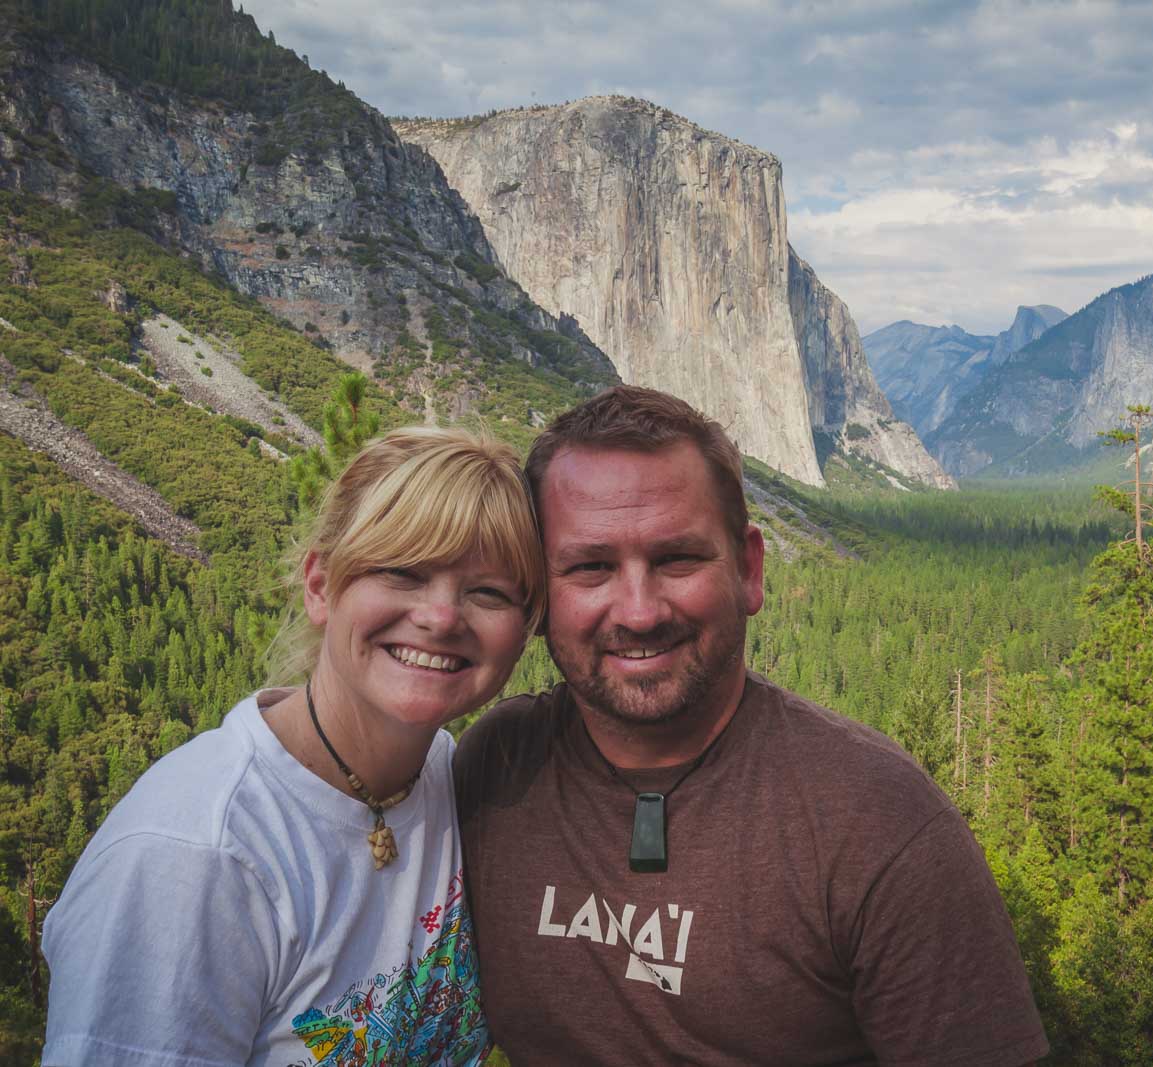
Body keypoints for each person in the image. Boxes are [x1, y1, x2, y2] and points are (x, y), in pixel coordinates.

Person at [455, 385, 1049, 1065]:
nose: (640, 610)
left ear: (750, 569)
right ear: (539, 595)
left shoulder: (881, 824)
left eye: (676, 558)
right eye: (591, 567)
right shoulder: (493, 770)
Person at [43, 426, 543, 1066]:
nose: (442, 617)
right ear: (320, 587)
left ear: (523, 630)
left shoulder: (451, 775)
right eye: (401, 572)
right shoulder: (195, 858)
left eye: (489, 592)